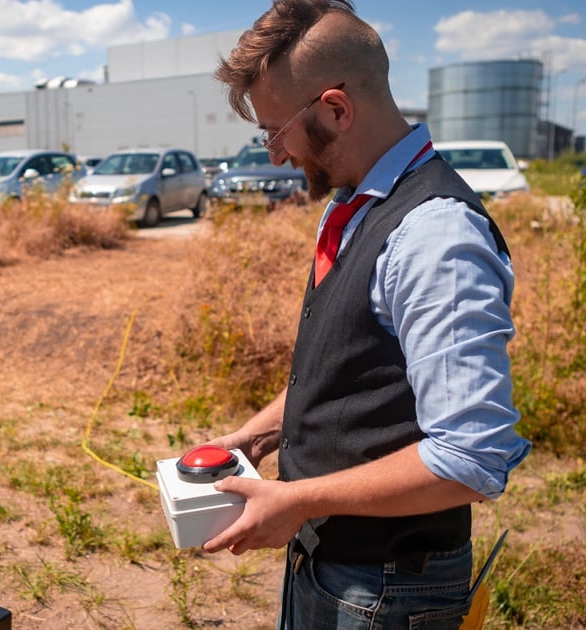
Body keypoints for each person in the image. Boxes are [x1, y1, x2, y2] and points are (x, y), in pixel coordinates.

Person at [201, 1, 531, 628]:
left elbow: (470, 459)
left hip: (386, 591)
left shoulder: (436, 236)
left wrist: (298, 500)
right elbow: (347, 372)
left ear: (336, 109)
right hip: (333, 568)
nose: (275, 156)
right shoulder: (351, 205)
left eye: (276, 131)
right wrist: (254, 437)